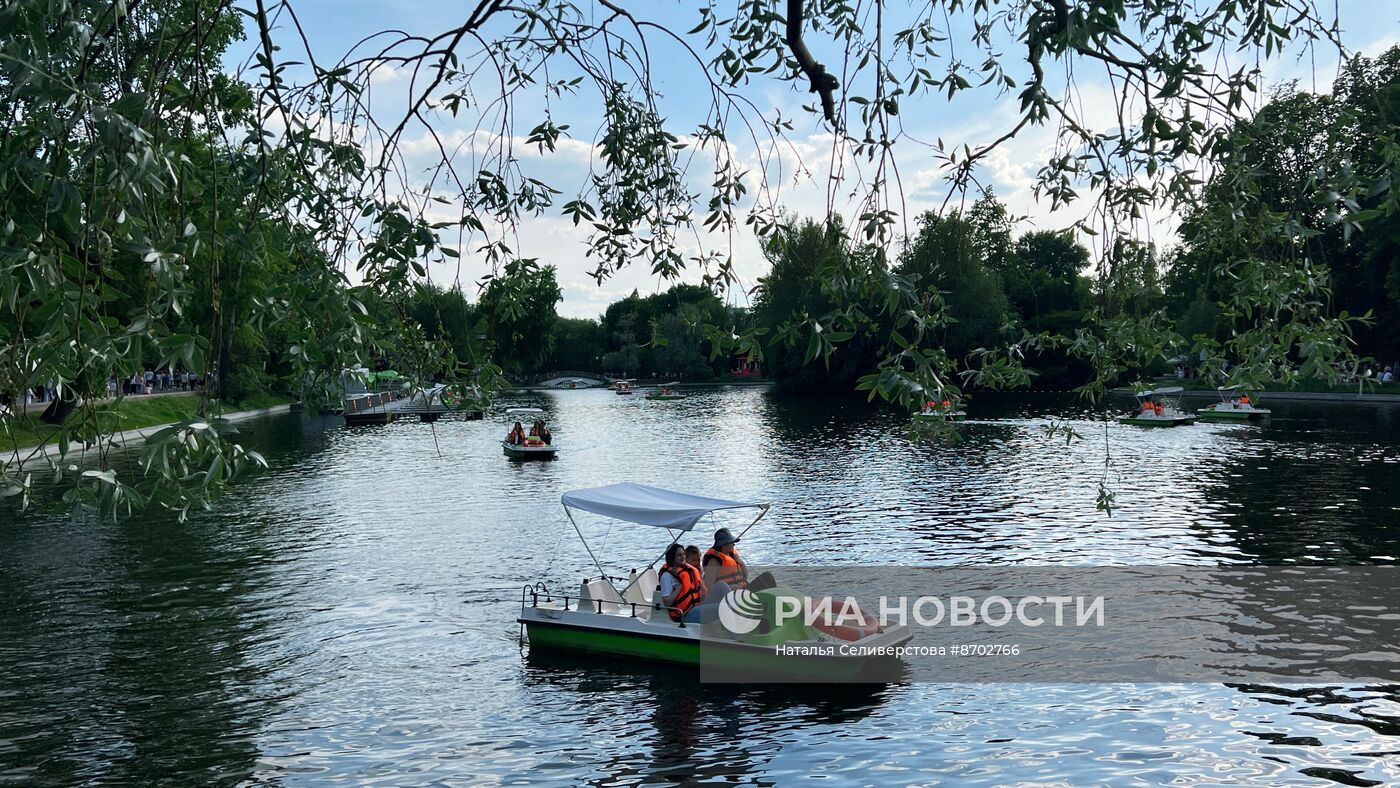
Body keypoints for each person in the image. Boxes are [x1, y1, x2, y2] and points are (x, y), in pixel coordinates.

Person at [658, 544, 703, 622]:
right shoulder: (667, 576)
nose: (683, 557)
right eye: (679, 555)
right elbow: (667, 602)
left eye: (683, 554)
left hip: (695, 607)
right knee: (720, 610)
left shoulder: (687, 570)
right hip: (684, 614)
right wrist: (680, 586)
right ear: (672, 557)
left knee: (721, 589)